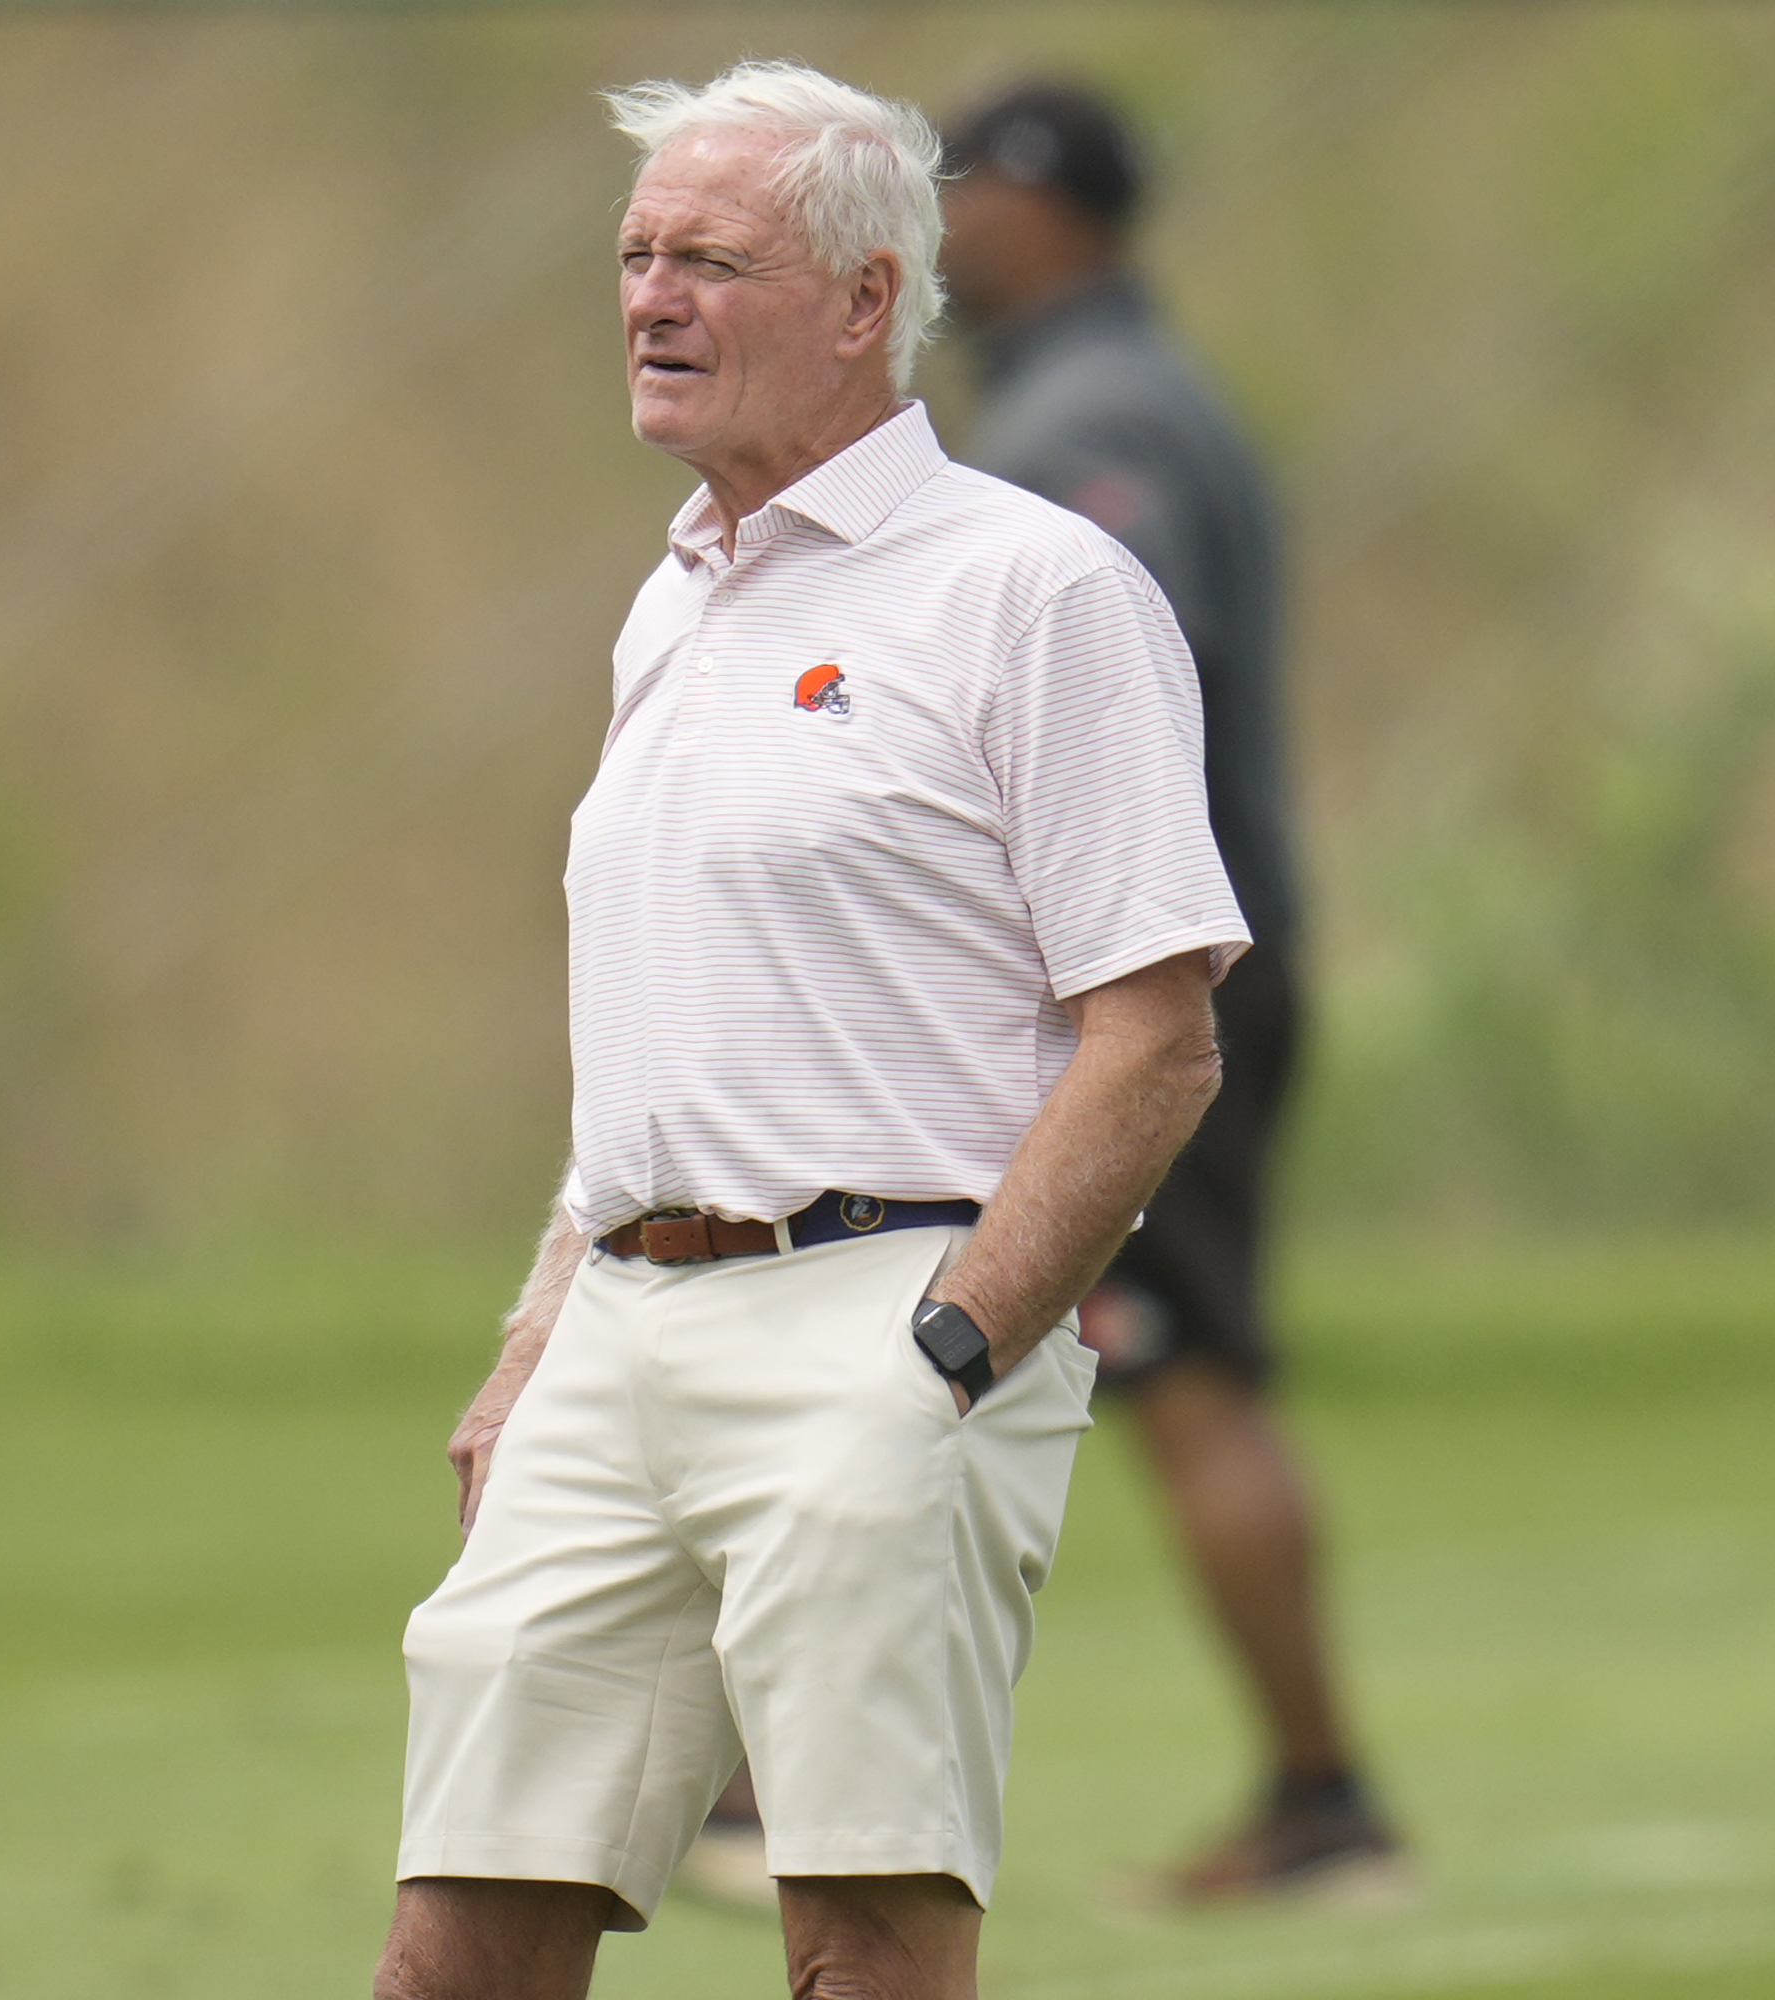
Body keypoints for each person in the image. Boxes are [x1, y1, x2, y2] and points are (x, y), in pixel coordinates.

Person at [373, 60, 1248, 2000]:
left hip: (888, 1315)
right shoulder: (672, 603)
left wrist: (945, 1351)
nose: (652, 298)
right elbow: (658, 1041)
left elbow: (1158, 1036)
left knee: (859, 1938)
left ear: (868, 298)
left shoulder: (1035, 591)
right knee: (456, 1942)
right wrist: (536, 1337)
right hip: (623, 1329)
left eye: (713, 260)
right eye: (636, 255)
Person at [945, 79, 1400, 1901]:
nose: (937, 228)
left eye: (960, 189)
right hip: (1164, 966)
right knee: (1028, 1347)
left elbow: (1113, 671)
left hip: (1152, 988)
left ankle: (1326, 1802)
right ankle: (1319, 1797)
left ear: (1048, 209)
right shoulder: (1095, 391)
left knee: (1176, 1371)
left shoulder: (1096, 415)